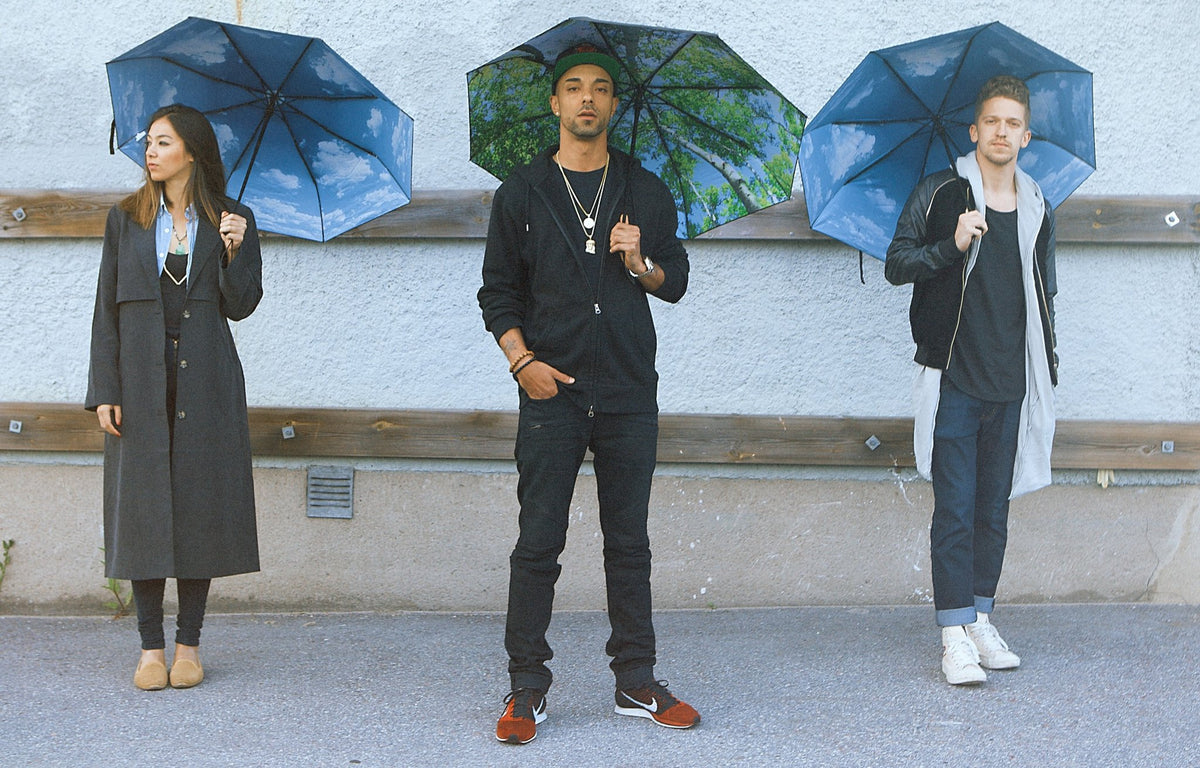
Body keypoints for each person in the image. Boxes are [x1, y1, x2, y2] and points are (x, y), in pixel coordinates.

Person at [478, 43, 700, 743]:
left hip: (630, 390)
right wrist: (523, 364)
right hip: (552, 391)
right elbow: (497, 293)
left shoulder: (644, 188)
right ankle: (526, 688)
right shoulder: (521, 191)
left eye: (600, 89)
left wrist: (642, 264)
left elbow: (679, 281)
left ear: (613, 105)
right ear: (555, 103)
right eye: (573, 88)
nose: (586, 99)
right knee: (538, 543)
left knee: (628, 543)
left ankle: (636, 680)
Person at [885, 76, 1057, 685]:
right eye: (992, 121)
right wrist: (952, 245)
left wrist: (1048, 368)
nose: (1002, 132)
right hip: (954, 376)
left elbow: (1045, 291)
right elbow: (896, 263)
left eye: (1013, 123)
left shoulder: (1037, 203)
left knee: (993, 511)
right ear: (974, 130)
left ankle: (981, 617)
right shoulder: (941, 194)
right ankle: (953, 634)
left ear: (1026, 136)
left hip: (1013, 383)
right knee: (954, 510)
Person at [86, 104, 263, 691]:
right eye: (149, 143)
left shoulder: (232, 219)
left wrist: (238, 251)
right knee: (141, 506)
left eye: (163, 142)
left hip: (207, 377)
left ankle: (189, 644)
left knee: (198, 507)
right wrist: (104, 389)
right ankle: (149, 647)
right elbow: (105, 308)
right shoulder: (125, 219)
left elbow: (241, 305)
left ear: (191, 149)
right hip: (138, 377)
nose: (151, 151)